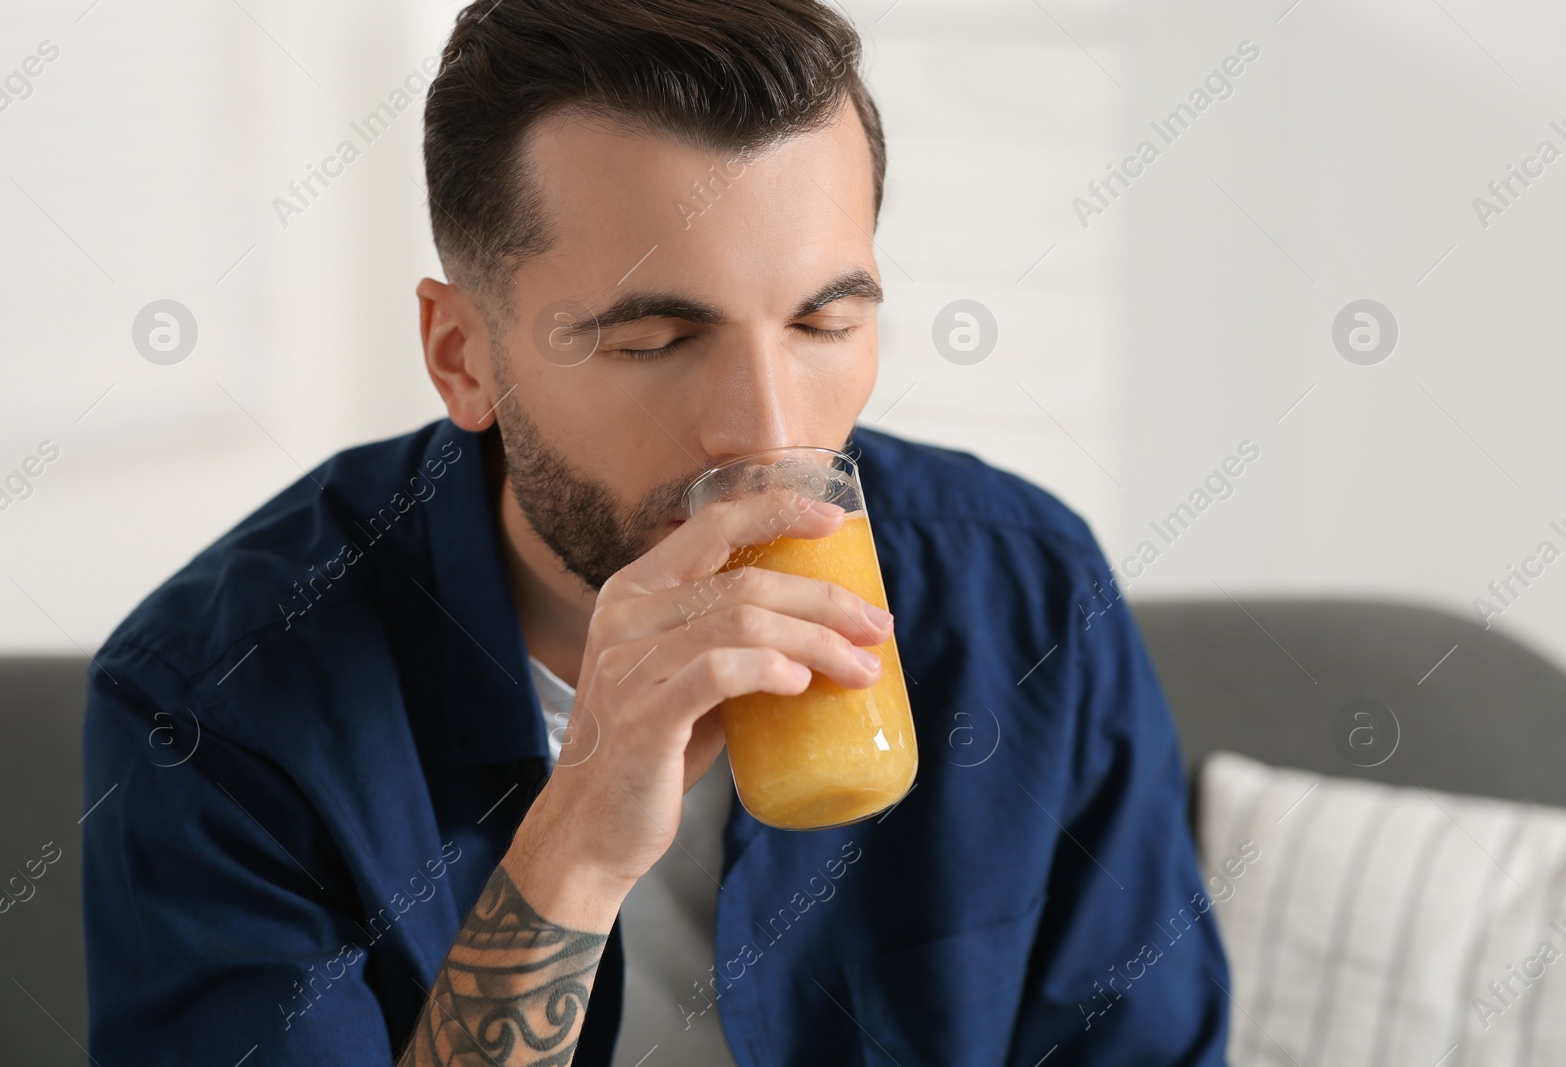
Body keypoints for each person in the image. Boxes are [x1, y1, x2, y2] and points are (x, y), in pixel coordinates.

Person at [81, 1, 1232, 1063]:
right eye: (656, 341)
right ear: (461, 354)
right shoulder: (211, 703)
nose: (769, 432)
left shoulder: (1025, 596)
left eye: (823, 322)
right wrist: (571, 848)